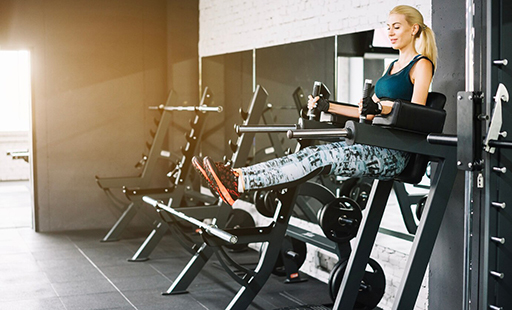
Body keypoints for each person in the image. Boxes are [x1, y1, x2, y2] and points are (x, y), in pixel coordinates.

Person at [192, 5, 438, 206]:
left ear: (414, 29)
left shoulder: (421, 65)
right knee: (309, 154)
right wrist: (327, 106)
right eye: (388, 28)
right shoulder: (390, 67)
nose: (391, 32)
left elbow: (413, 116)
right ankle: (237, 179)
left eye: (397, 27)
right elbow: (366, 111)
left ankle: (237, 182)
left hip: (393, 153)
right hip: (373, 142)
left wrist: (383, 109)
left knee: (319, 157)